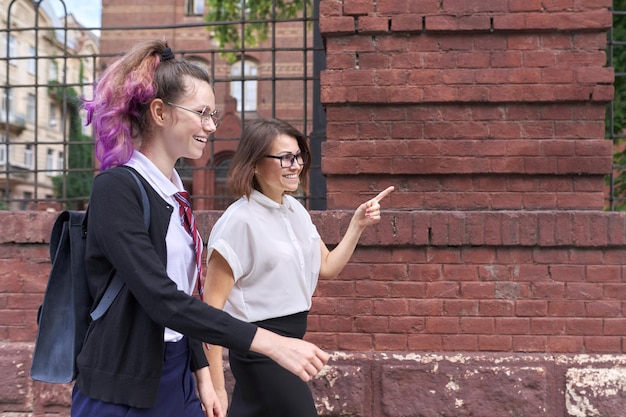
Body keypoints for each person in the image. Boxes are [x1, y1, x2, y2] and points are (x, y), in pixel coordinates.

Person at [71, 40, 329, 417]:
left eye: (213, 114)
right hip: (122, 387)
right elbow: (162, 300)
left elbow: (186, 297)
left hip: (177, 375)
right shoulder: (117, 189)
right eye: (202, 113)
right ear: (159, 112)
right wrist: (270, 343)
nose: (211, 125)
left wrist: (203, 376)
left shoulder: (176, 195)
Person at [204, 118, 394, 417]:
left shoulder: (295, 211)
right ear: (254, 164)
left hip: (291, 346)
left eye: (299, 156)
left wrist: (357, 225)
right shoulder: (238, 222)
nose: (296, 165)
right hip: (260, 351)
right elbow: (211, 314)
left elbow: (328, 266)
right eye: (285, 158)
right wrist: (215, 388)